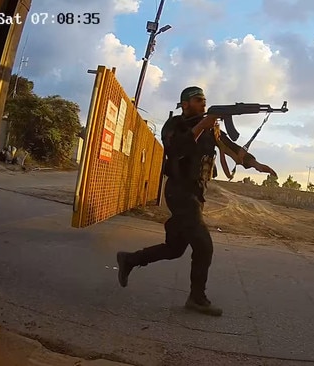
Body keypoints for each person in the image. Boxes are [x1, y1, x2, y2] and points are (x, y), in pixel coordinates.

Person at [116, 86, 277, 316]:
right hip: (179, 192)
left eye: (204, 100)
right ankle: (197, 298)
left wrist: (256, 164)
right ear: (185, 104)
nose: (203, 104)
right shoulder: (174, 125)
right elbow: (176, 149)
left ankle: (130, 259)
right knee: (204, 245)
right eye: (198, 100)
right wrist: (203, 124)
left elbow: (232, 149)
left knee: (174, 249)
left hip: (196, 194)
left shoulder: (213, 130)